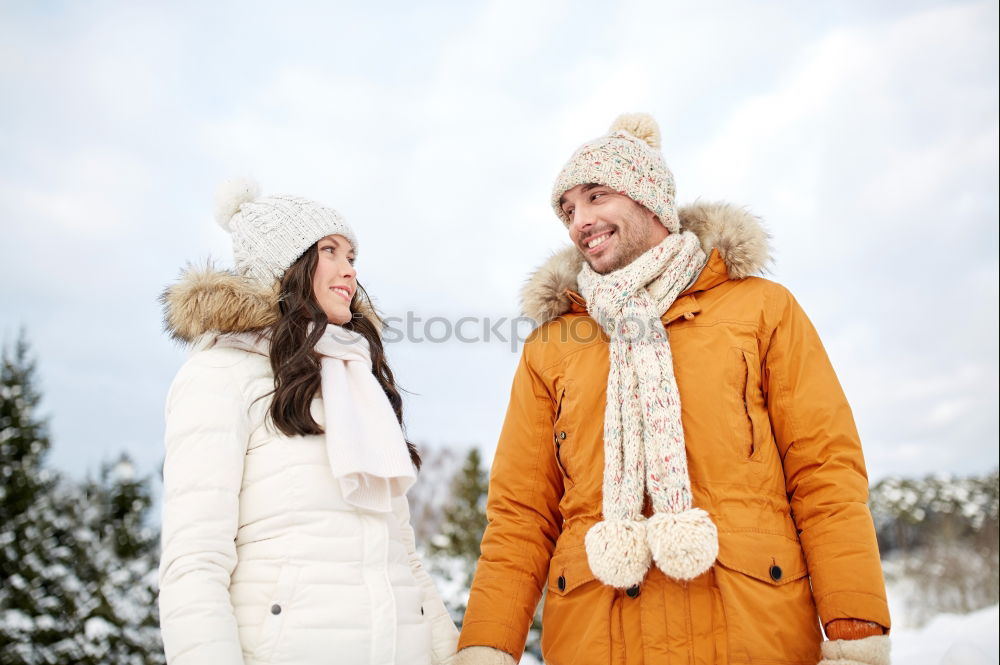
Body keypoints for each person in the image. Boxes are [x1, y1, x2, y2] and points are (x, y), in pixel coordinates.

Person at [455, 115, 891, 665]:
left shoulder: (761, 310)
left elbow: (825, 473)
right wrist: (486, 648)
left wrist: (855, 629)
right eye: (567, 210)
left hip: (754, 633)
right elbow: (521, 513)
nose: (579, 221)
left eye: (596, 196)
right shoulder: (553, 345)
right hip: (599, 638)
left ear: (649, 198)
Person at [158, 179, 458, 665]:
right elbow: (195, 564)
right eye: (330, 251)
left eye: (353, 256)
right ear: (286, 265)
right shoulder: (220, 375)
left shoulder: (355, 377)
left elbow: (403, 557)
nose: (350, 271)